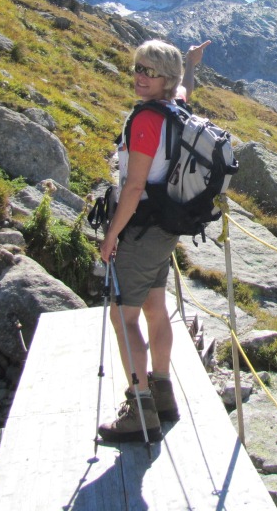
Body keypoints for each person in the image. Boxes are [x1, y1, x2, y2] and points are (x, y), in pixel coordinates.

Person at [96, 39, 209, 443]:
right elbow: (185, 88)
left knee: (123, 317)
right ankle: (162, 395)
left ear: (164, 80)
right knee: (156, 307)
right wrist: (191, 64)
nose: (140, 77)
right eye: (138, 68)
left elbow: (133, 187)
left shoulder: (146, 120)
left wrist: (111, 237)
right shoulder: (176, 107)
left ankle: (138, 408)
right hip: (166, 225)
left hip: (140, 227)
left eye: (150, 71)